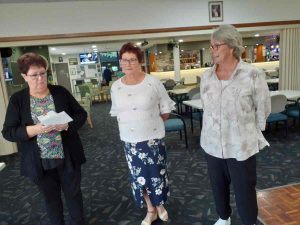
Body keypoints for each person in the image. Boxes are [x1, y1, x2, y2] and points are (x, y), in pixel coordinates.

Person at [2, 52, 87, 225]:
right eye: (34, 75)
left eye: (43, 73)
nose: (40, 79)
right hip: (39, 161)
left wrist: (67, 125)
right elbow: (8, 132)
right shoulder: (18, 100)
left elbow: (81, 114)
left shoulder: (60, 92)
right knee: (51, 199)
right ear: (25, 76)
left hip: (67, 156)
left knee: (73, 194)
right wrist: (35, 129)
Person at [200, 25, 271, 225]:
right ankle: (223, 217)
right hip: (212, 143)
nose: (212, 50)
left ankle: (249, 222)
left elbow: (263, 108)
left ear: (231, 47)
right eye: (211, 46)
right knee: (218, 186)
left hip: (241, 145)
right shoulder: (207, 76)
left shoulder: (253, 75)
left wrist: (250, 133)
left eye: (216, 46)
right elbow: (207, 107)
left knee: (244, 189)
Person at [110, 43, 175, 225]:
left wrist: (153, 124)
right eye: (124, 60)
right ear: (120, 63)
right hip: (130, 142)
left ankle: (160, 205)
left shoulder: (152, 82)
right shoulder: (116, 87)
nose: (128, 64)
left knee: (156, 175)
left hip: (152, 139)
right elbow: (118, 113)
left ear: (140, 62)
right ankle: (151, 209)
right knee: (139, 178)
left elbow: (166, 108)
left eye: (132, 60)